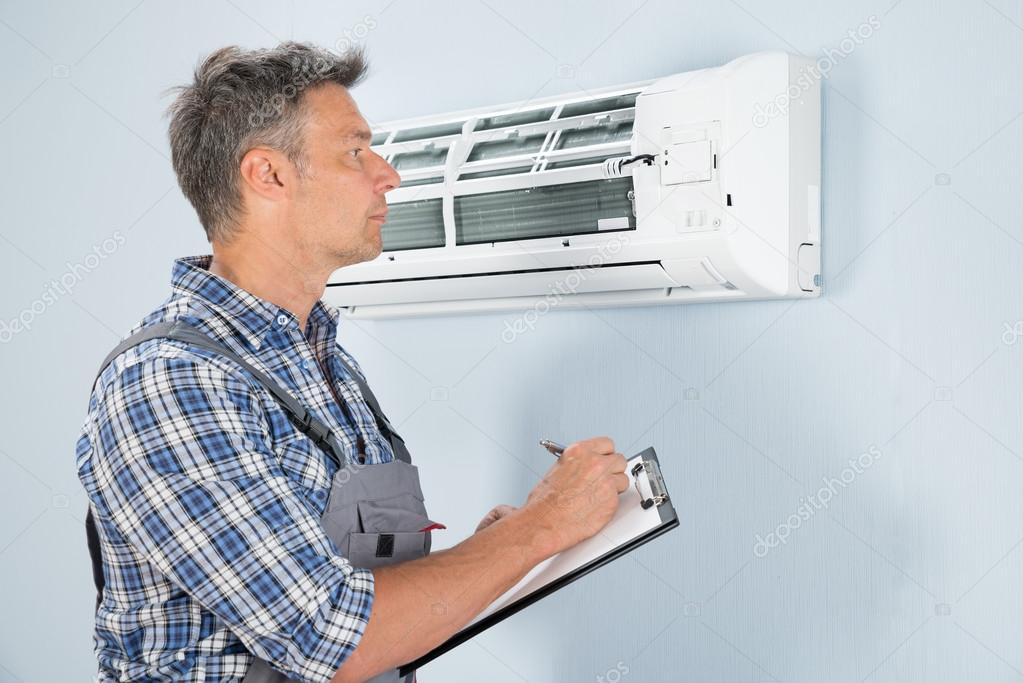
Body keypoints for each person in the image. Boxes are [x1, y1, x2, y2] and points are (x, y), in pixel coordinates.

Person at [75, 41, 628, 683]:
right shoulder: (172, 381)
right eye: (356, 151)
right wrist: (538, 528)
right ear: (269, 175)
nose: (387, 174)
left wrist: (499, 550)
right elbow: (329, 637)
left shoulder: (323, 361)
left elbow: (366, 599)